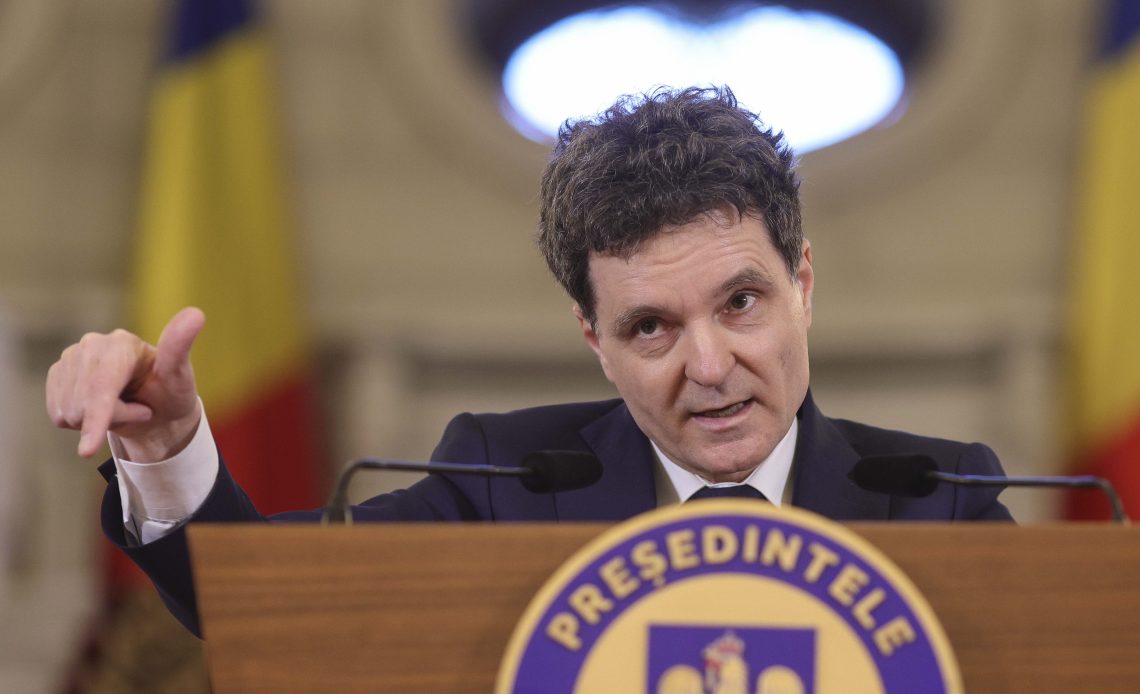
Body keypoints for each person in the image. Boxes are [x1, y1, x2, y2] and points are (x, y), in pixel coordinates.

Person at [46, 86, 1012, 636]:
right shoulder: (501, 483)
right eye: (651, 328)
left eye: (741, 303)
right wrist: (165, 447)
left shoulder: (942, 499)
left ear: (802, 284)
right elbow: (262, 606)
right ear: (595, 341)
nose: (710, 365)